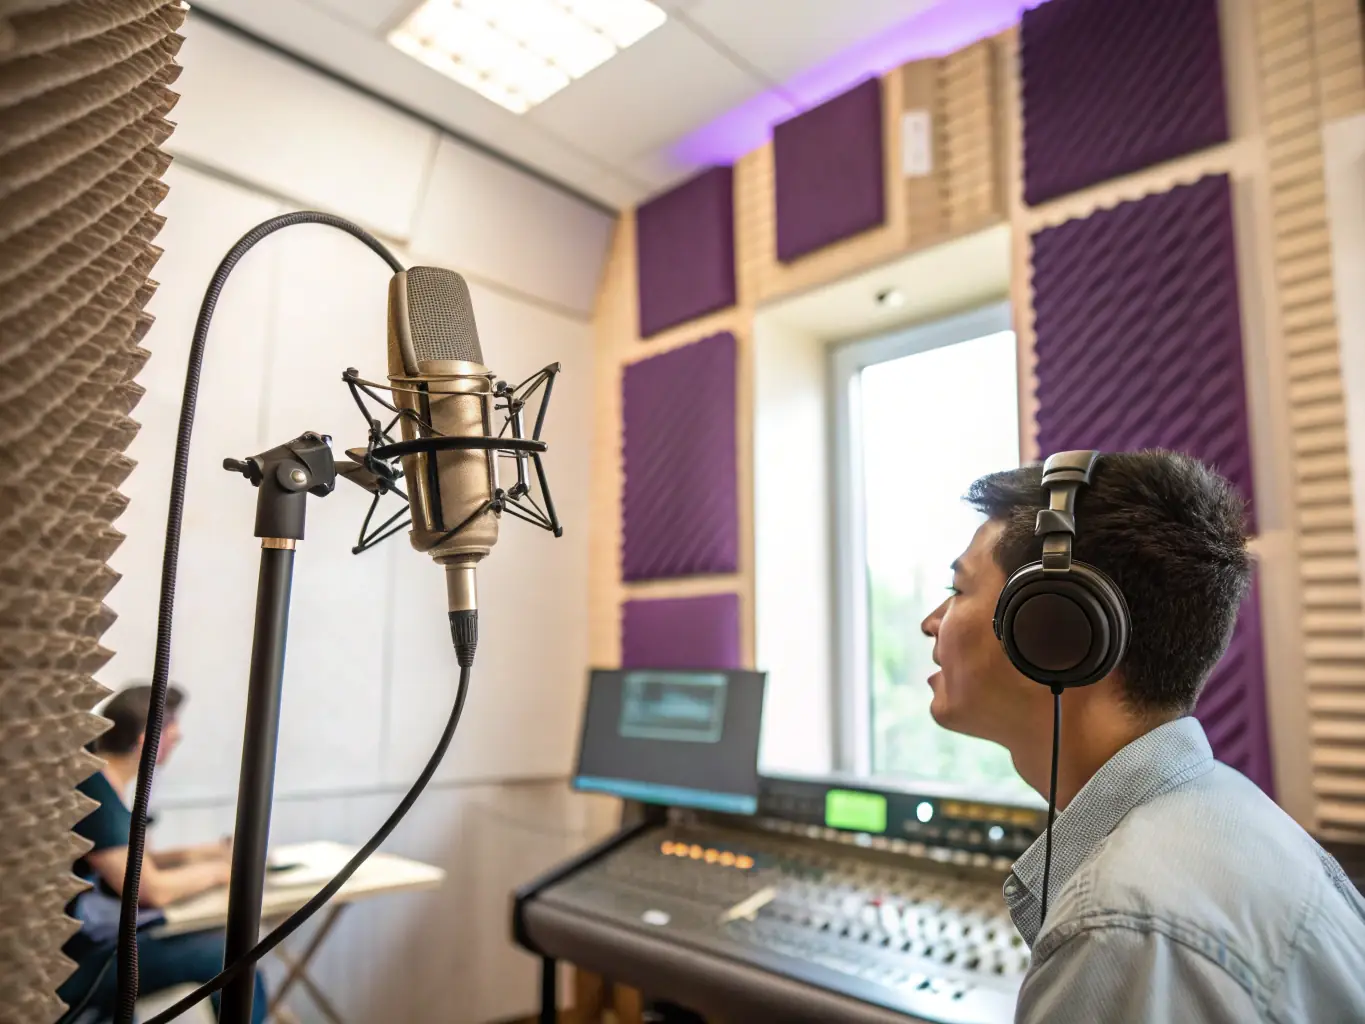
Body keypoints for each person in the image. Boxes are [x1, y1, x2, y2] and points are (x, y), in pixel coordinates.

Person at [920, 450, 1365, 1023]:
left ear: (1052, 629)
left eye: (957, 589)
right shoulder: (1228, 811)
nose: (932, 621)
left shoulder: (1121, 928)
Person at [58, 684, 269, 1024]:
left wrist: (207, 853)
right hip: (80, 962)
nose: (177, 742)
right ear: (147, 739)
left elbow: (131, 860)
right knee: (230, 956)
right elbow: (150, 890)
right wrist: (222, 873)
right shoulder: (94, 793)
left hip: (95, 943)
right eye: (174, 736)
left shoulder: (103, 782)